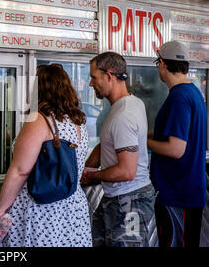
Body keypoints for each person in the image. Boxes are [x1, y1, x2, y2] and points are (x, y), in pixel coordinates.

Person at [0, 64, 92, 247]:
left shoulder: (39, 119)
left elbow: (20, 171)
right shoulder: (78, 122)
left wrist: (0, 209)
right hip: (73, 207)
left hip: (42, 210)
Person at [81, 51, 155, 247]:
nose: (91, 83)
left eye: (93, 77)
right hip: (115, 197)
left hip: (131, 201)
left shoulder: (125, 114)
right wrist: (85, 168)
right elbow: (106, 144)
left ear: (109, 75)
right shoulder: (126, 104)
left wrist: (93, 175)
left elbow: (126, 171)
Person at [147, 40, 207, 247]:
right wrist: (148, 133)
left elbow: (175, 149)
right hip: (185, 191)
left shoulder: (179, 98)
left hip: (177, 194)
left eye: (157, 64)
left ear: (162, 64)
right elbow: (177, 132)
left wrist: (142, 141)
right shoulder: (192, 93)